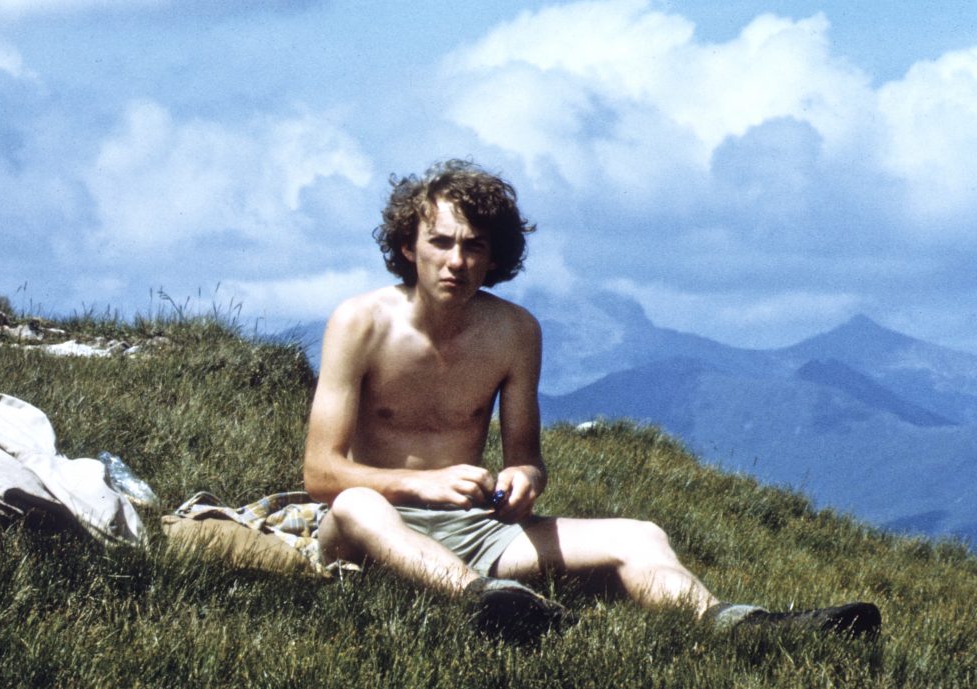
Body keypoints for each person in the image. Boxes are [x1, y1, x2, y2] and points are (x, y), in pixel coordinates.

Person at [303, 159, 880, 641]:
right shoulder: (360, 322)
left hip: (477, 530)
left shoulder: (515, 332)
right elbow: (322, 474)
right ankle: (488, 603)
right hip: (372, 529)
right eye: (441, 242)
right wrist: (419, 484)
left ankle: (737, 626)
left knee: (641, 535)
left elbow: (525, 456)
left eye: (475, 247)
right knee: (357, 504)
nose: (457, 262)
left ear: (495, 258)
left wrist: (525, 479)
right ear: (408, 246)